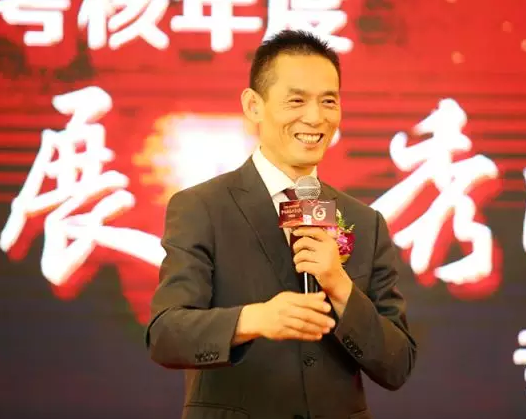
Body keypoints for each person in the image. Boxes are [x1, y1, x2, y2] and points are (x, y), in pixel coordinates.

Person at [146, 29, 417, 419]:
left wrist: (339, 286)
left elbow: (398, 363)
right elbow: (165, 335)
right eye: (296, 100)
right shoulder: (202, 207)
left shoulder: (365, 222)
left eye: (328, 101)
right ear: (253, 105)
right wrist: (254, 319)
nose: (315, 117)